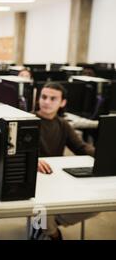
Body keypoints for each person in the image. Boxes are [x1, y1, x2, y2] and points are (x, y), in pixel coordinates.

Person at [32, 82, 96, 240]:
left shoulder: (63, 124)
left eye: (53, 98)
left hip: (57, 180)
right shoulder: (27, 121)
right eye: (44, 97)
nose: (46, 101)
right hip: (34, 182)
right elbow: (14, 152)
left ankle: (45, 227)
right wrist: (32, 160)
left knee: (98, 204)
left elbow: (82, 148)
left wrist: (105, 155)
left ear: (62, 103)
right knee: (41, 208)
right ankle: (52, 233)